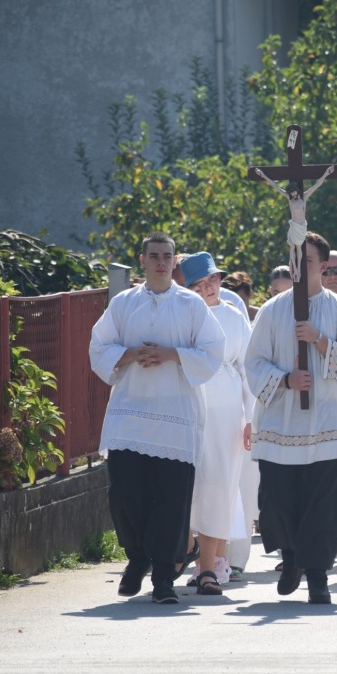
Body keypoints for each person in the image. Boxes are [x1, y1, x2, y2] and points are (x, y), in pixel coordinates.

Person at [89, 231, 225, 604]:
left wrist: (171, 354)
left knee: (171, 500)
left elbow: (213, 350)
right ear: (143, 260)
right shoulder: (123, 303)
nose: (161, 262)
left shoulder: (191, 304)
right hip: (130, 413)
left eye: (167, 256)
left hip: (175, 413)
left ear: (174, 261)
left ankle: (163, 577)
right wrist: (132, 354)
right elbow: (99, 346)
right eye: (154, 256)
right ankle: (137, 557)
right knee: (125, 495)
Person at [244, 231, 337, 604]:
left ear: (324, 266)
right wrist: (286, 380)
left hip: (327, 419)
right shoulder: (272, 310)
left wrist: (320, 340)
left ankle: (317, 577)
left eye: (309, 260)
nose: (300, 266)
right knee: (277, 497)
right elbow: (254, 362)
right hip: (281, 420)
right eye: (295, 259)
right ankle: (290, 559)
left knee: (324, 503)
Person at [178, 252, 254, 595]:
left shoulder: (235, 316)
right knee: (191, 482)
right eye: (199, 283)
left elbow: (248, 369)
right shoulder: (181, 313)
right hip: (190, 404)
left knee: (220, 484)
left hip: (226, 411)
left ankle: (209, 564)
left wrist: (251, 418)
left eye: (213, 279)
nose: (209, 287)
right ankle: (197, 554)